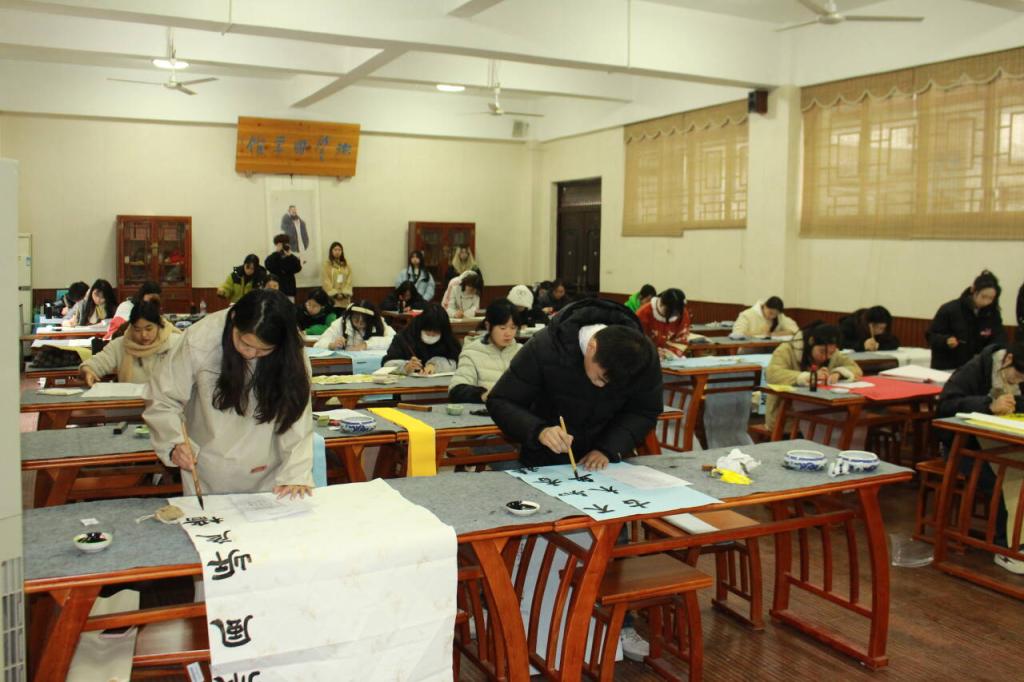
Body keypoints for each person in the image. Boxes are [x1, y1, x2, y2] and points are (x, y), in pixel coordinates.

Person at [144, 289, 313, 497]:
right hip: (210, 467)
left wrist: (295, 473)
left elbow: (296, 413)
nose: (250, 354)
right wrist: (174, 442)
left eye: (263, 350)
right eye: (244, 343)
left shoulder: (291, 349)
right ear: (233, 318)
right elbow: (163, 397)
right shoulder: (200, 339)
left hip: (269, 470)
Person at [487, 298, 663, 469]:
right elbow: (501, 400)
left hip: (606, 467)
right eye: (601, 378)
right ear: (592, 347)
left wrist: (608, 449)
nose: (601, 386)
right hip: (544, 462)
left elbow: (644, 410)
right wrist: (540, 431)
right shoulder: (545, 347)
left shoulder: (642, 356)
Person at [936, 340, 1024, 574]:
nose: (1019, 382)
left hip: (1001, 445)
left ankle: (1019, 538)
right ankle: (1004, 546)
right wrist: (988, 406)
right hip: (963, 446)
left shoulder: (1019, 375)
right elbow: (945, 406)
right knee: (1003, 479)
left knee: (1014, 472)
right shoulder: (976, 369)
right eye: (1018, 375)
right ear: (1008, 360)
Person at [764, 323, 863, 430]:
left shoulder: (832, 352)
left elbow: (856, 369)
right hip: (786, 417)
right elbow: (772, 374)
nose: (826, 357)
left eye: (831, 353)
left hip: (820, 414)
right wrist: (808, 376)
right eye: (822, 352)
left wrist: (839, 373)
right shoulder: (787, 349)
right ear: (811, 343)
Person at [80, 301, 179, 386]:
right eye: (137, 330)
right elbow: (97, 363)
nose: (144, 335)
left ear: (158, 325)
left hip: (168, 400)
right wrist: (88, 370)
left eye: (149, 329)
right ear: (131, 327)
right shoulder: (121, 344)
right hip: (131, 400)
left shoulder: (175, 343)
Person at [927, 270, 1006, 370]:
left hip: (976, 368)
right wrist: (945, 340)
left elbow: (999, 337)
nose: (986, 302)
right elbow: (931, 335)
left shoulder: (993, 314)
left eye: (991, 298)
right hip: (948, 366)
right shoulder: (950, 309)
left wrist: (990, 351)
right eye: (983, 296)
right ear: (973, 290)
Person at [449, 299, 522, 403]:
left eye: (513, 328)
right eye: (502, 328)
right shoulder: (472, 353)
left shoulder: (523, 352)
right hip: (486, 410)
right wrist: (483, 395)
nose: (508, 333)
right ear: (488, 326)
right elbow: (456, 391)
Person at [382, 303, 460, 375]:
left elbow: (457, 362)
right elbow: (387, 364)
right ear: (421, 326)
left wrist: (435, 365)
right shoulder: (404, 338)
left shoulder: (447, 339)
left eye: (435, 333)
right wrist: (405, 367)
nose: (431, 335)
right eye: (427, 332)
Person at [315, 301, 395, 351]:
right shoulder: (342, 323)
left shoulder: (377, 323)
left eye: (364, 321)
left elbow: (394, 340)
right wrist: (331, 345)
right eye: (356, 319)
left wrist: (366, 345)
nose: (359, 324)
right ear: (351, 316)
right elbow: (318, 345)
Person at [635, 288, 690, 359]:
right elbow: (635, 340)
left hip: (669, 357)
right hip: (647, 355)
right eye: (669, 312)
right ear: (661, 303)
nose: (672, 315)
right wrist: (653, 352)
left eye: (675, 313)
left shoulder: (682, 313)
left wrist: (668, 353)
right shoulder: (643, 313)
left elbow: (681, 341)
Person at [732, 296, 798, 338]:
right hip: (748, 351)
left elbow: (795, 330)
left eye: (776, 314)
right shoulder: (747, 315)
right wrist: (761, 334)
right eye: (770, 313)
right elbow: (737, 334)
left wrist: (773, 334)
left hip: (770, 350)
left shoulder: (780, 316)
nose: (772, 317)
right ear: (764, 306)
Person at [264, 234, 302, 300]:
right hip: (275, 290)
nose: (282, 246)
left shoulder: (291, 257)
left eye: (284, 244)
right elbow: (268, 266)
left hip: (289, 290)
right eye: (279, 244)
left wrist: (290, 256)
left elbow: (298, 268)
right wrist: (277, 253)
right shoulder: (273, 257)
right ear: (276, 245)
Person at [321, 241, 353, 310]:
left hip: (344, 299)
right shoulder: (327, 265)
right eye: (335, 250)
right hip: (331, 299)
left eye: (339, 250)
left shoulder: (347, 265)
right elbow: (326, 281)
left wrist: (344, 293)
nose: (337, 252)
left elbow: (349, 280)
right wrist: (335, 294)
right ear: (331, 251)